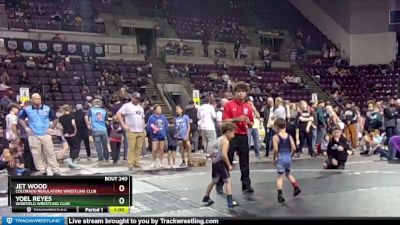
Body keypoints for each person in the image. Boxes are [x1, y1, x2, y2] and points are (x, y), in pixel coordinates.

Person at [218, 81, 254, 194]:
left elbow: (252, 124)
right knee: (226, 159)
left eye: (243, 91)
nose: (241, 94)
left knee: (245, 161)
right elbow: (224, 120)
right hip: (231, 136)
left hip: (243, 136)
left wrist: (248, 122)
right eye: (238, 91)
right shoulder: (229, 104)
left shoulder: (248, 107)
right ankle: (220, 183)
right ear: (235, 93)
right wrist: (237, 119)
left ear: (246, 93)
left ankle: (246, 184)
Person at [19, 93, 61, 176]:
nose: (38, 100)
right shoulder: (27, 109)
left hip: (45, 134)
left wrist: (51, 128)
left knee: (50, 152)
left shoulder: (47, 108)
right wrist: (26, 128)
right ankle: (41, 169)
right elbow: (20, 119)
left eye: (39, 98)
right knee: (36, 154)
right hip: (33, 135)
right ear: (32, 99)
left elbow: (55, 118)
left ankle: (55, 170)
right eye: (36, 99)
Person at [202, 122, 239, 208]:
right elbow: (224, 154)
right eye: (233, 132)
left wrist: (212, 156)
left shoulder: (219, 139)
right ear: (228, 132)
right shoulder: (225, 141)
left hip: (215, 163)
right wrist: (229, 165)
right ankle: (230, 202)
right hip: (220, 163)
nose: (234, 134)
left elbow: (212, 150)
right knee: (228, 181)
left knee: (214, 181)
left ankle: (206, 197)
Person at [272, 118, 301, 203]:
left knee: (280, 177)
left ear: (276, 127)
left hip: (281, 157)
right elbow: (294, 148)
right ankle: (296, 187)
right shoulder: (289, 136)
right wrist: (291, 156)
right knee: (288, 173)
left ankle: (280, 194)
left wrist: (274, 158)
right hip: (288, 157)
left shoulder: (275, 137)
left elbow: (276, 150)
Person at [117, 92, 146, 169]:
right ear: (132, 98)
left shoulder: (141, 108)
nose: (137, 100)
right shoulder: (127, 106)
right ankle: (130, 163)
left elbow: (142, 118)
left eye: (138, 99)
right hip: (131, 130)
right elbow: (118, 114)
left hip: (140, 130)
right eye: (136, 98)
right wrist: (123, 125)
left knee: (138, 148)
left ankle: (136, 162)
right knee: (131, 147)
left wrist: (144, 129)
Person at [88, 99, 109, 163]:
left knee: (98, 145)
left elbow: (88, 118)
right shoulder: (104, 111)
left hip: (95, 130)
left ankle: (100, 158)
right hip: (103, 129)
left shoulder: (91, 110)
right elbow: (106, 121)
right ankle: (107, 158)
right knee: (105, 145)